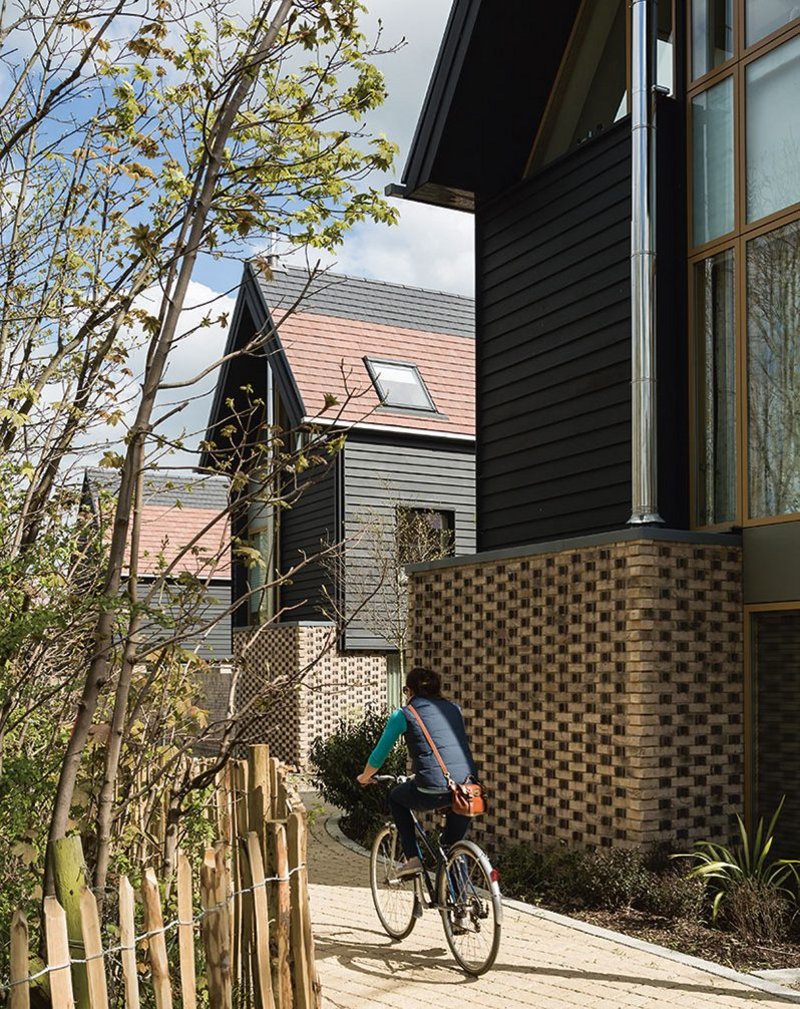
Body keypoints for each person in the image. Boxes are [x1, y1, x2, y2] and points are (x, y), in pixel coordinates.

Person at [356, 666, 478, 877]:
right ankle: (462, 903)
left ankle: (412, 858)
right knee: (452, 846)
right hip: (468, 788)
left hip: (434, 787)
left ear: (409, 691)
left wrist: (364, 777)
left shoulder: (404, 714)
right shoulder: (454, 709)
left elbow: (378, 756)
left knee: (396, 797)